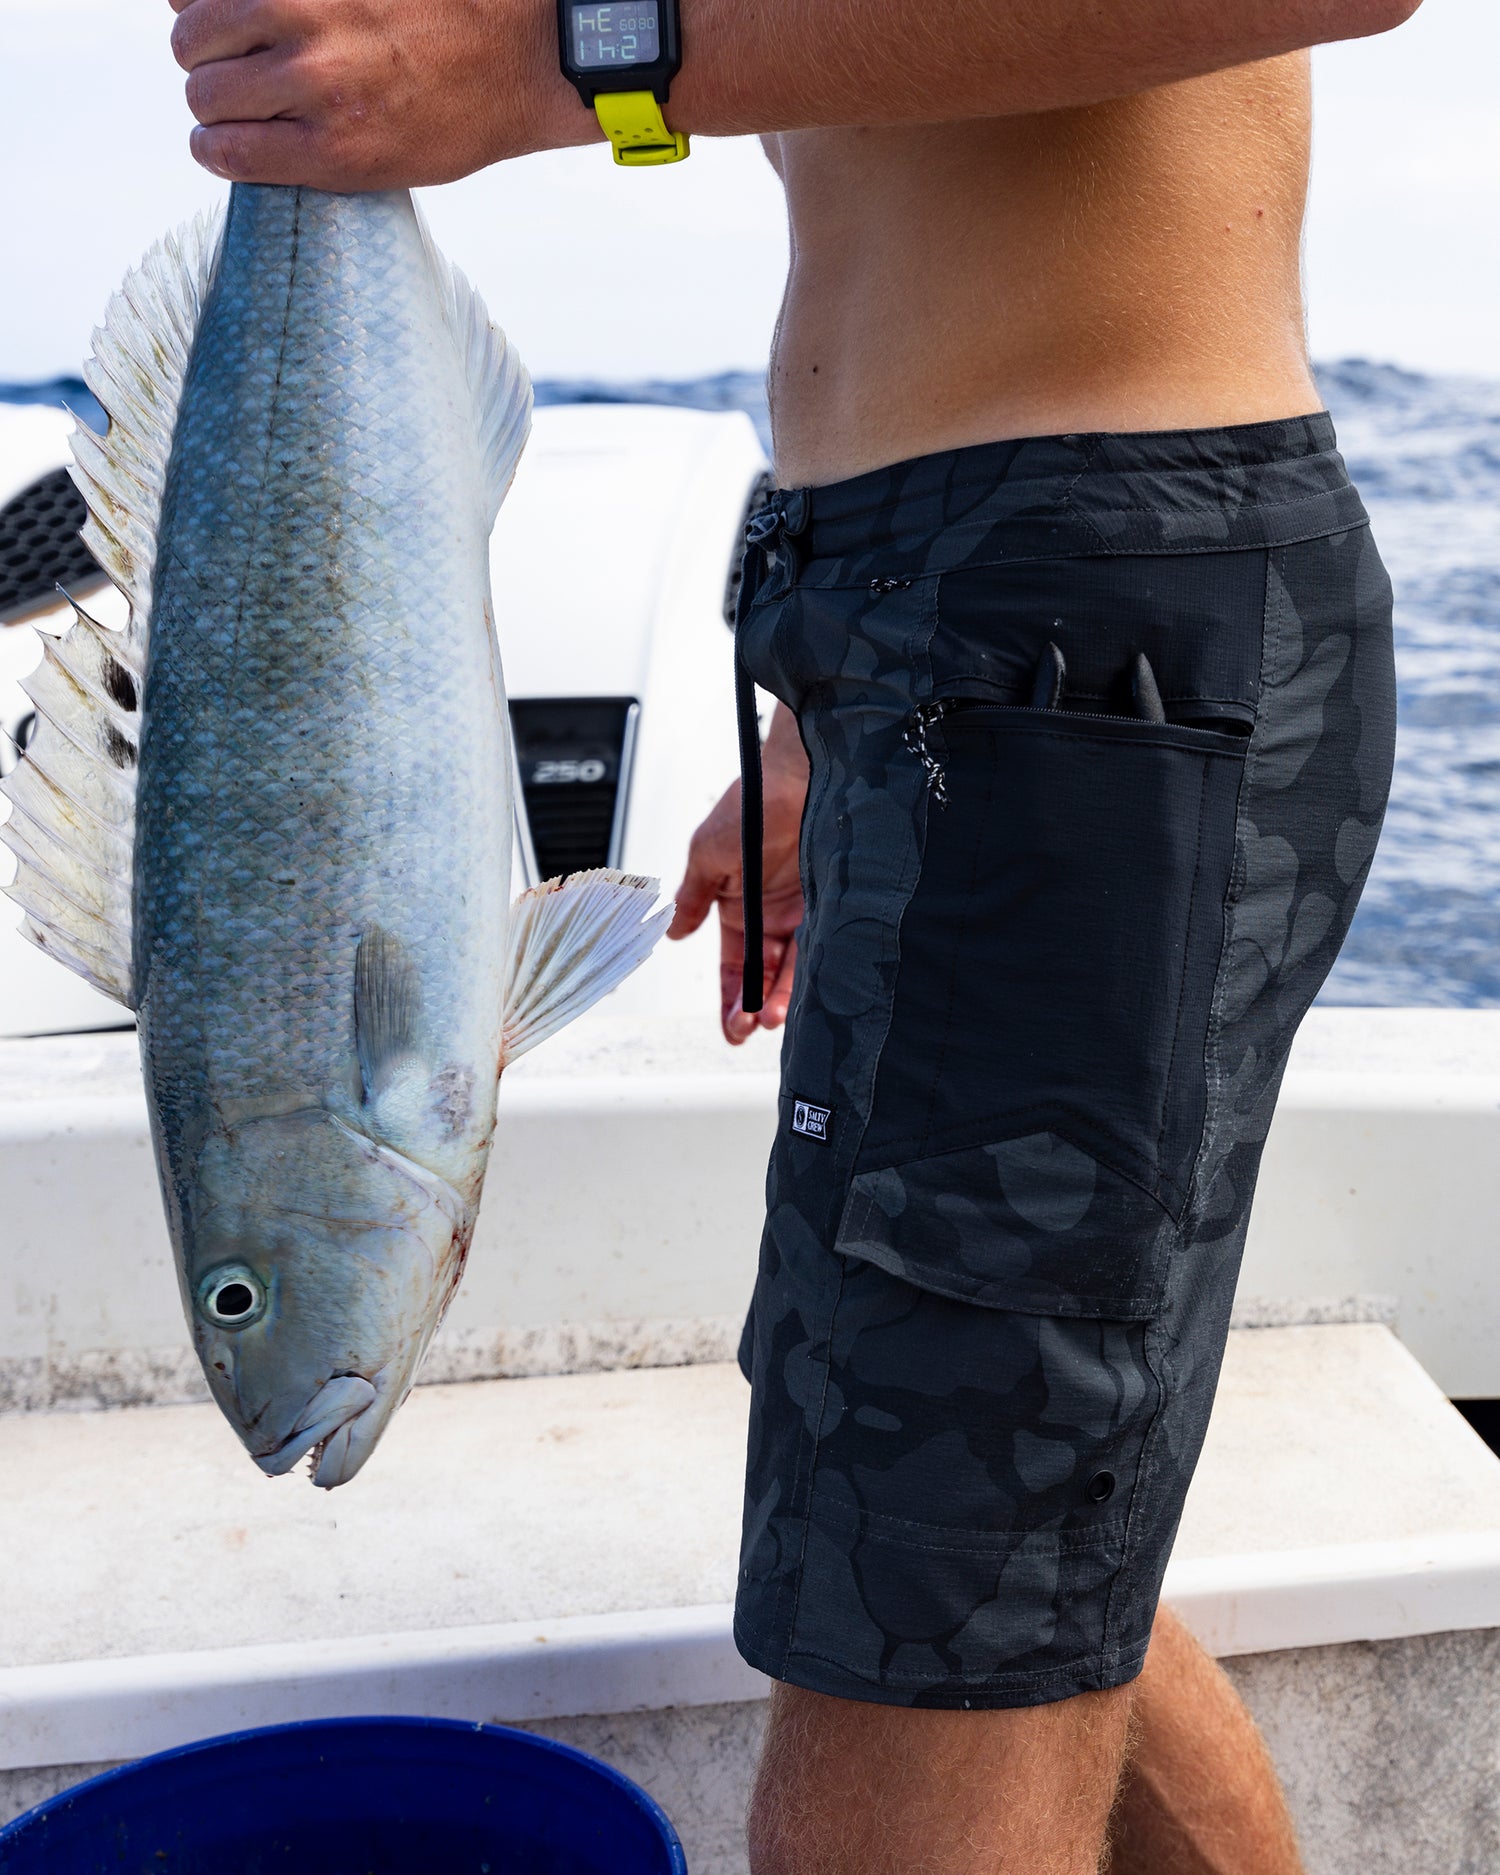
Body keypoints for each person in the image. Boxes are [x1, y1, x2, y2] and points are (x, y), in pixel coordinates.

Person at [169, 1, 1419, 1866]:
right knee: (968, 1502)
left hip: (1081, 637)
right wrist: (822, 722)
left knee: (927, 1596)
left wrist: (557, 57)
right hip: (940, 632)